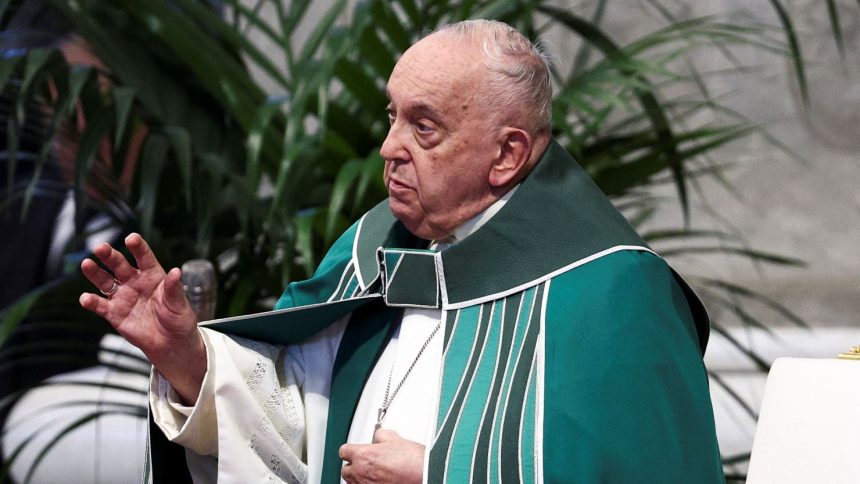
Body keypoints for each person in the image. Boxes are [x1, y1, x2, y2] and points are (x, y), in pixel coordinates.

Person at [80, 20, 724, 483]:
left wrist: (436, 475)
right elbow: (295, 422)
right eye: (392, 117)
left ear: (507, 155)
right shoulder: (374, 250)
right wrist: (186, 357)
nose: (389, 147)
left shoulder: (613, 292)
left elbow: (648, 468)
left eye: (424, 126)